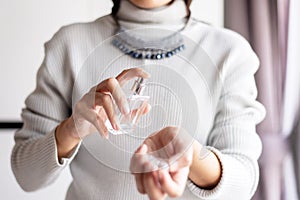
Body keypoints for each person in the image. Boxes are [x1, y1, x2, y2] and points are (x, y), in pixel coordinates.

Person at [11, 0, 266, 199]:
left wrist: (192, 156)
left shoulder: (230, 52)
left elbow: (242, 186)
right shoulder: (68, 45)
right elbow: (26, 175)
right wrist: (71, 129)